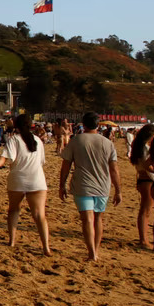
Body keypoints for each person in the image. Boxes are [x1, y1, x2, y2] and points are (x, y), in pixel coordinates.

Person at [57, 112, 120, 262]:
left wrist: (62, 185)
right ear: (98, 125)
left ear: (83, 125)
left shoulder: (76, 140)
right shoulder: (107, 143)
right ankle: (96, 250)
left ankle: (91, 253)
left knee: (87, 219)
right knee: (98, 218)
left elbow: (65, 166)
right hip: (103, 186)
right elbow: (114, 169)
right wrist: (118, 190)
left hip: (83, 185)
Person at [0, 113, 51, 255]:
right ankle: (46, 247)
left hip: (18, 179)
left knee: (14, 210)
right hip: (37, 180)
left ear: (16, 125)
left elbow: (4, 157)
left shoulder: (14, 140)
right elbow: (41, 162)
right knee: (39, 215)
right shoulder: (37, 140)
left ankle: (12, 241)